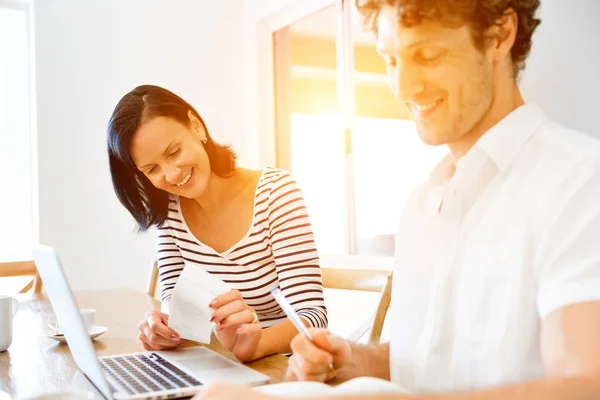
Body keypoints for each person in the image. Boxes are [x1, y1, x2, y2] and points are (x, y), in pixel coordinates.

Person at [191, 0, 600, 399]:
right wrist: (351, 362)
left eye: (427, 54)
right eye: (390, 60)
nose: (402, 87)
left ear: (500, 34)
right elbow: (430, 364)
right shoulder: (421, 206)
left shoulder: (579, 182)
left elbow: (585, 386)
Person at [106, 85, 327, 363]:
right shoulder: (170, 216)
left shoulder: (276, 193)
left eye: (174, 152)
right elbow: (179, 314)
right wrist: (162, 330)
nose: (171, 175)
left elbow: (313, 319)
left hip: (286, 367)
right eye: (152, 169)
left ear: (196, 126)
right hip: (219, 365)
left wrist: (254, 346)